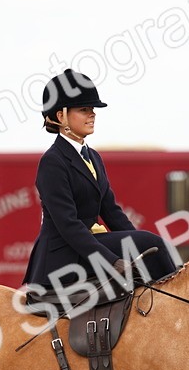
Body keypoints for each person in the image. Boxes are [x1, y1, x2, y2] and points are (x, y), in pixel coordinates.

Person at [22, 69, 177, 295]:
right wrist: (111, 261)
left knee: (151, 245)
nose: (92, 114)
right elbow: (68, 225)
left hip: (90, 246)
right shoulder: (52, 162)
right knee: (150, 241)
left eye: (92, 109)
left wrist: (139, 248)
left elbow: (111, 212)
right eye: (83, 109)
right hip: (64, 254)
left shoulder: (93, 156)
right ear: (60, 116)